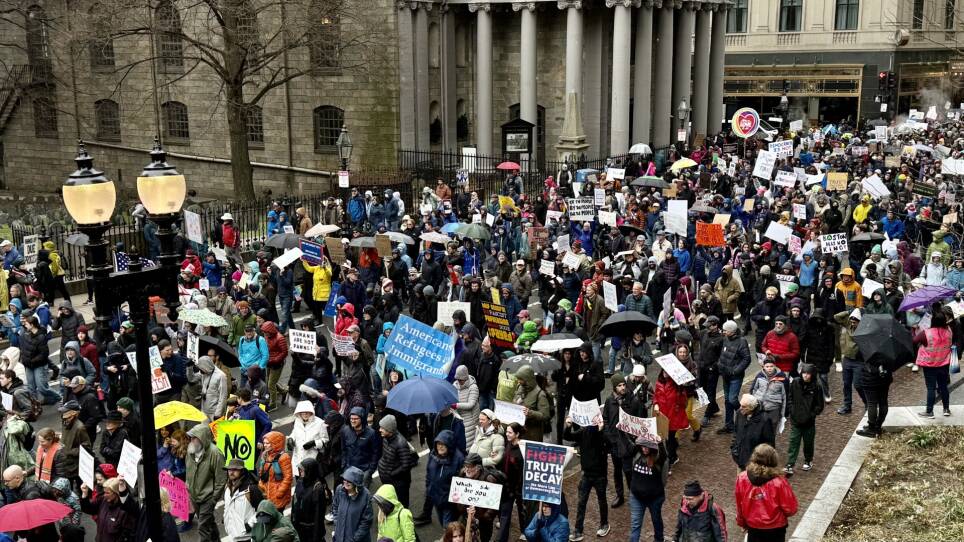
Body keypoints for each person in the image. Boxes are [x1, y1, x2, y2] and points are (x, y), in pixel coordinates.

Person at [734, 444, 798, 542]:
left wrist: (742, 522)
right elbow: (791, 509)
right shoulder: (779, 482)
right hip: (776, 528)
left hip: (753, 527)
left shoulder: (742, 478)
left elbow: (740, 504)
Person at [563, 415, 610, 540]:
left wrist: (601, 431)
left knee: (602, 500)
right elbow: (567, 437)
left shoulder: (602, 431)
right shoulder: (583, 431)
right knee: (581, 502)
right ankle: (578, 530)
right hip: (586, 475)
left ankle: (604, 524)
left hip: (600, 475)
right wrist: (568, 426)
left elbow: (608, 445)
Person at [186, 423, 227, 542]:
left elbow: (221, 479)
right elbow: (188, 470)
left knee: (202, 527)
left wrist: (213, 499)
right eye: (191, 437)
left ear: (203, 437)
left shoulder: (215, 454)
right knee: (208, 522)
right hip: (194, 496)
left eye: (195, 437)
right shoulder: (191, 451)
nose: (192, 440)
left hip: (207, 498)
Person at [785, 364, 825, 475]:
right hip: (796, 420)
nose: (805, 376)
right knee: (793, 442)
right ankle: (790, 464)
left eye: (808, 374)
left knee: (808, 443)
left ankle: (808, 460)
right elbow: (790, 398)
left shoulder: (817, 387)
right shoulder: (795, 383)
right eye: (804, 373)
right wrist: (792, 410)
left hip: (809, 422)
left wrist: (811, 414)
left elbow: (819, 405)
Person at [914, 308, 953, 419]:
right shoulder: (949, 331)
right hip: (944, 364)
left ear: (933, 321)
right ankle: (946, 409)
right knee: (943, 386)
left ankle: (929, 412)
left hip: (930, 365)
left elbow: (915, 340)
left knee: (931, 388)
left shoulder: (926, 333)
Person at [628, 436, 668, 542]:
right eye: (643, 446)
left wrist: (660, 443)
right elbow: (627, 445)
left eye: (647, 447)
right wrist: (622, 432)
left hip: (654, 498)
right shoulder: (636, 454)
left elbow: (664, 456)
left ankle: (659, 539)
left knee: (656, 520)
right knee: (635, 524)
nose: (645, 449)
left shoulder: (657, 458)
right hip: (636, 497)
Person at [377, 414, 418, 508]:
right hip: (388, 479)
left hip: (399, 483)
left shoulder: (401, 443)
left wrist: (391, 474)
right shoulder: (386, 438)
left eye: (382, 428)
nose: (380, 430)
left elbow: (406, 465)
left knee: (401, 506)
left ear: (389, 429)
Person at [80, 477, 139, 542]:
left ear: (116, 493)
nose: (104, 495)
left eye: (107, 493)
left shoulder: (126, 510)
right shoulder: (102, 500)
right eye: (104, 492)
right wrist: (85, 493)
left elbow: (128, 535)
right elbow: (88, 509)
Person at [730, 395, 775, 471]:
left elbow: (769, 444)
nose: (740, 408)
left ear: (751, 408)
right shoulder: (739, 414)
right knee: (740, 481)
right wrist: (734, 448)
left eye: (743, 407)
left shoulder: (764, 420)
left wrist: (760, 460)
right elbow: (736, 432)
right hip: (740, 459)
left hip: (755, 464)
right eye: (741, 405)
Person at [341, 406, 381, 486]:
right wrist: (344, 465)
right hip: (349, 469)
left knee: (363, 494)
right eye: (351, 418)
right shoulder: (345, 430)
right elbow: (343, 449)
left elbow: (376, 452)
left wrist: (370, 470)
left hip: (364, 470)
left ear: (362, 419)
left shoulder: (371, 433)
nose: (352, 421)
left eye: (355, 419)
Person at [331, 466, 374, 542]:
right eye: (345, 479)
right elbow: (335, 507)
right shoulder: (339, 490)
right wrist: (337, 523)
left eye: (349, 480)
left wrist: (355, 539)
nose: (346, 482)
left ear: (356, 482)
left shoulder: (366, 496)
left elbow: (366, 521)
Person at [223, 458, 261, 540]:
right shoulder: (227, 487)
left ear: (242, 471)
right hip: (232, 534)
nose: (231, 472)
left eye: (235, 469)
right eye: (229, 469)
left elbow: (262, 510)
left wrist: (249, 525)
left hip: (247, 537)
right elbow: (227, 506)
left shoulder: (251, 489)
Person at [292, 457, 327, 542]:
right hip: (299, 528)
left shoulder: (318, 489)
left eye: (302, 470)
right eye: (300, 469)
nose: (300, 472)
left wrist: (316, 537)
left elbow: (318, 516)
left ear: (310, 471)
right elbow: (294, 503)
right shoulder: (300, 482)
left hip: (311, 531)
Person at [258, 430, 294, 511]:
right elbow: (261, 473)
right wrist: (262, 485)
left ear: (275, 443)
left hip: (278, 495)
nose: (265, 445)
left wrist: (279, 492)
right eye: (264, 443)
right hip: (267, 492)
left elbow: (288, 477)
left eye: (268, 443)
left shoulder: (284, 457)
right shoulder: (265, 455)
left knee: (277, 517)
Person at [290, 401, 329, 469]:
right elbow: (295, 433)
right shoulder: (297, 421)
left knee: (310, 477)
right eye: (302, 412)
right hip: (297, 458)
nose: (305, 414)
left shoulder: (320, 423)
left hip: (311, 458)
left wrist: (314, 443)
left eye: (307, 412)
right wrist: (291, 438)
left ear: (311, 412)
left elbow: (325, 440)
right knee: (298, 478)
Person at [199, 355, 229, 421]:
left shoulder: (221, 376)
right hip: (204, 411)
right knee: (204, 431)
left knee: (215, 431)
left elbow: (223, 396)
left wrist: (218, 414)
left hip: (214, 413)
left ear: (206, 367)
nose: (200, 371)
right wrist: (189, 368)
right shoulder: (205, 373)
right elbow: (192, 379)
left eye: (201, 369)